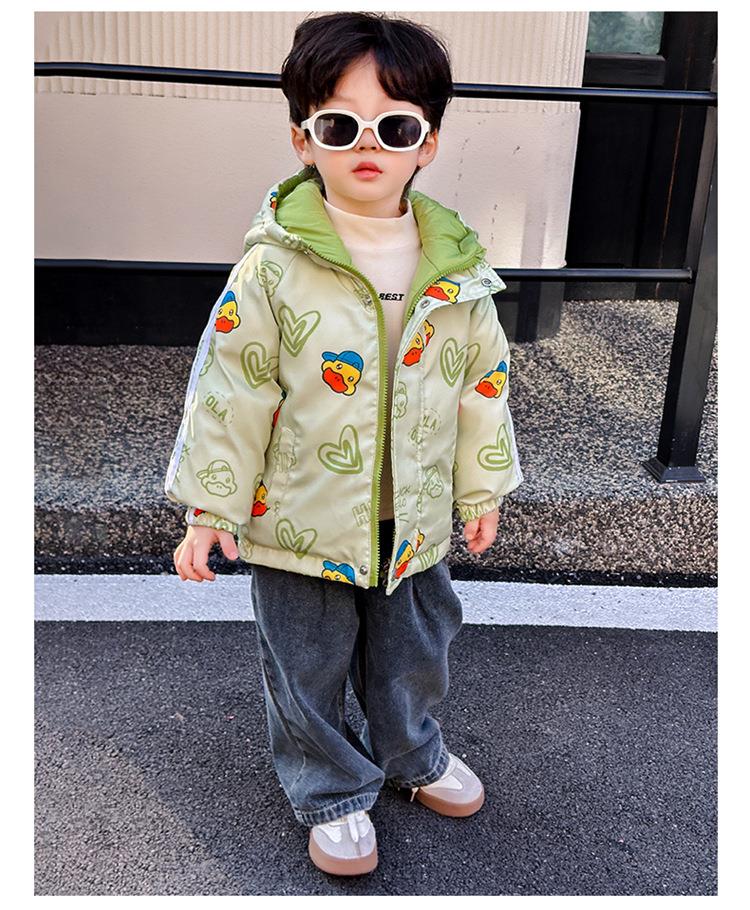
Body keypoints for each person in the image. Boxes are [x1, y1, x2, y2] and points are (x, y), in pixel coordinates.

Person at [165, 11, 523, 877]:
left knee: (416, 648)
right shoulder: (273, 268)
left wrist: (479, 489)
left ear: (427, 144)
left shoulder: (458, 270)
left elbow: (481, 386)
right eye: (338, 125)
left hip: (413, 519)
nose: (368, 143)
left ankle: (412, 751)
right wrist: (210, 508)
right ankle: (330, 786)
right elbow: (232, 390)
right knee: (307, 662)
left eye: (394, 127)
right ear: (302, 139)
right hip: (298, 520)